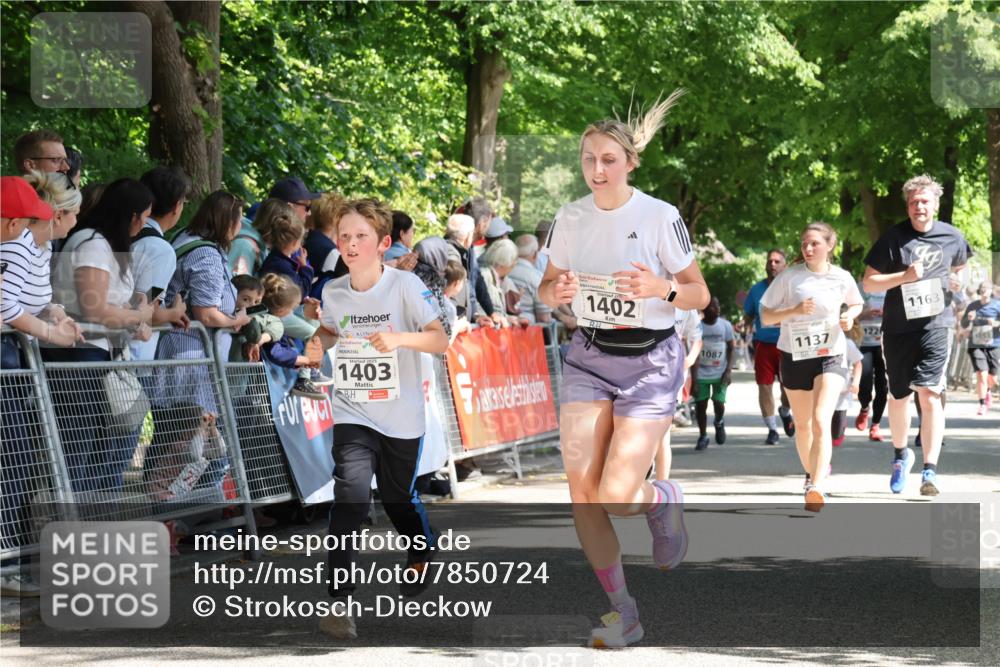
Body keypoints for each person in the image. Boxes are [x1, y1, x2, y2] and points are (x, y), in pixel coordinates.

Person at [539, 90, 710, 648]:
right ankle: (624, 612)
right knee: (582, 491)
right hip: (589, 355)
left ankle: (661, 499)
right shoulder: (569, 216)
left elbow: (699, 295)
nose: (597, 168)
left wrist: (660, 286)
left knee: (617, 493)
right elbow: (547, 287)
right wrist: (555, 290)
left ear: (630, 162)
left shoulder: (660, 216)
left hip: (649, 362)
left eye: (608, 159)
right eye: (589, 158)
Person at [314, 198, 448, 640]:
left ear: (383, 243)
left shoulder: (406, 286)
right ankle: (338, 600)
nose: (351, 245)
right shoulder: (333, 290)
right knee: (350, 496)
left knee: (397, 498)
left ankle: (422, 547)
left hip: (401, 416)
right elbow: (330, 329)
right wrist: (319, 341)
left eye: (361, 237)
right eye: (345, 236)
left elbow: (439, 340)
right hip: (354, 410)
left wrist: (397, 338)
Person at [862, 174, 972, 497]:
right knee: (900, 397)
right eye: (913, 202)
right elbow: (869, 283)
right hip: (897, 328)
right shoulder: (894, 238)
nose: (919, 207)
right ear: (907, 206)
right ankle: (900, 456)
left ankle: (930, 470)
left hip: (937, 326)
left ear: (935, 204)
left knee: (929, 393)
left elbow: (961, 268)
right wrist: (904, 276)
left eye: (924, 201)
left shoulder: (952, 236)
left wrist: (958, 283)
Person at [48, 178, 156, 493]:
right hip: (80, 353)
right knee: (79, 443)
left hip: (92, 352)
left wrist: (133, 320)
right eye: (145, 215)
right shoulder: (93, 243)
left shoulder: (100, 242)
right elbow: (95, 309)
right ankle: (70, 522)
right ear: (133, 214)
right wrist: (138, 316)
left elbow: (107, 305)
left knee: (90, 441)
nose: (145, 222)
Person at [760, 222, 863, 512]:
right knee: (803, 425)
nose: (807, 248)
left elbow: (855, 304)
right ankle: (810, 477)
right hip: (794, 354)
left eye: (814, 243)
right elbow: (766, 316)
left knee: (820, 420)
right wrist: (793, 310)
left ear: (830, 245)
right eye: (804, 243)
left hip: (830, 353)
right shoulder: (790, 277)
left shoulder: (841, 277)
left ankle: (817, 486)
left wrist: (850, 317)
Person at [130, 166, 192, 362]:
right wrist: (175, 312)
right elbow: (147, 310)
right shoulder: (160, 251)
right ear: (176, 206)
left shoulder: (124, 231)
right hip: (132, 355)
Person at [743, 249, 795, 444]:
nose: (772, 264)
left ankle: (785, 410)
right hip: (763, 345)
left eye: (777, 261)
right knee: (764, 387)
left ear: (785, 266)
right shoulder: (756, 290)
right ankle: (772, 429)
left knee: (788, 389)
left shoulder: (792, 288)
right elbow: (748, 314)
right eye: (769, 261)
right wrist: (746, 325)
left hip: (787, 344)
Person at [691, 297, 734, 451]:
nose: (717, 309)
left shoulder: (725, 326)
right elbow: (694, 354)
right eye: (713, 306)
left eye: (718, 305)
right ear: (704, 309)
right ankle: (703, 436)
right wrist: (694, 380)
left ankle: (719, 421)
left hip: (720, 372)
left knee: (718, 402)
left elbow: (731, 348)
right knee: (700, 406)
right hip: (702, 372)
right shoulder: (697, 327)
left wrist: (728, 371)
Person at [855, 279, 888, 441]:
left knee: (883, 386)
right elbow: (849, 315)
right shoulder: (862, 287)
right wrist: (864, 314)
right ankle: (864, 407)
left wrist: (887, 314)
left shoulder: (892, 286)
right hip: (864, 342)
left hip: (885, 343)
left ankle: (875, 425)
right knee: (865, 381)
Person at [960, 281, 999, 415]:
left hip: (994, 344)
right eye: (982, 288)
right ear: (979, 291)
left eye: (986, 289)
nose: (984, 291)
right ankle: (982, 404)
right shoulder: (972, 306)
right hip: (975, 344)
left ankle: (987, 391)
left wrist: (995, 323)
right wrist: (969, 319)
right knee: (981, 374)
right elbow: (964, 324)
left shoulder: (997, 305)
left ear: (991, 291)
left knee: (993, 377)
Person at [832, 324, 864, 450]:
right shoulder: (817, 343)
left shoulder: (847, 343)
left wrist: (855, 382)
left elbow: (858, 363)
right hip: (823, 391)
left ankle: (840, 427)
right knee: (821, 427)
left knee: (836, 434)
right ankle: (823, 462)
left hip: (842, 393)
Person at [509, 234, 553, 325]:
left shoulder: (505, 271)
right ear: (535, 254)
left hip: (504, 329)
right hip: (528, 332)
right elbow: (544, 318)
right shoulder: (537, 277)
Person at [480, 238, 521, 326]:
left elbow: (497, 312)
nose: (514, 265)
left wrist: (508, 318)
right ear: (507, 262)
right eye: (514, 261)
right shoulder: (485, 276)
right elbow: (482, 309)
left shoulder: (497, 279)